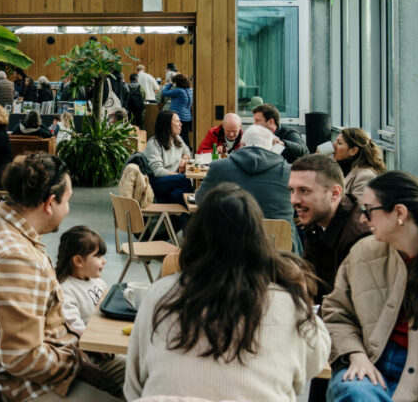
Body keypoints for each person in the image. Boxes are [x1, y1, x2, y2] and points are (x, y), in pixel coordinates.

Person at [125, 183, 330, 401]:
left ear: (194, 236)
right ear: (260, 240)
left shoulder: (160, 294)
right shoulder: (286, 303)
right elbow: (315, 361)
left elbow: (134, 386)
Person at [0, 153, 125, 401]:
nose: (68, 209)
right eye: (67, 201)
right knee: (141, 384)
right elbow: (22, 358)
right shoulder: (16, 260)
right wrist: (78, 359)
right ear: (50, 203)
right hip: (30, 386)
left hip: (51, 358)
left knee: (140, 373)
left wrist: (80, 344)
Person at [321, 171, 418, 401]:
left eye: (368, 210)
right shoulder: (363, 253)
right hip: (368, 364)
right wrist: (355, 354)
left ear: (400, 213)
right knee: (354, 392)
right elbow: (336, 312)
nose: (362, 219)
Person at [195, 124, 301, 254]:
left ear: (242, 144)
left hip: (228, 251)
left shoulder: (218, 167)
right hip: (280, 251)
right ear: (272, 147)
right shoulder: (290, 172)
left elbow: (200, 200)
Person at [289, 154, 370, 304]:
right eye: (292, 190)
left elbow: (353, 306)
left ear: (334, 193)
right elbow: (311, 284)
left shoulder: (358, 238)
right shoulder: (317, 220)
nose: (294, 200)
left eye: (304, 191)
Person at [56, 226, 109, 336]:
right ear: (78, 261)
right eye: (98, 256)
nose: (104, 261)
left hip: (104, 332)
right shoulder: (66, 291)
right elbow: (75, 327)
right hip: (90, 341)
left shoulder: (98, 282)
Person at [143, 110, 193, 206]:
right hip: (157, 181)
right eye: (177, 121)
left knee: (177, 194)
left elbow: (187, 152)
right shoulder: (154, 143)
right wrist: (177, 175)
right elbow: (158, 171)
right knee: (185, 179)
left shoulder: (177, 138)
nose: (181, 124)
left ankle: (189, 214)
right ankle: (198, 210)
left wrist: (183, 160)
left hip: (173, 181)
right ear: (167, 124)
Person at [333, 127, 386, 197]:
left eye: (339, 143)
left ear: (353, 151)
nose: (333, 145)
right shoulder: (336, 168)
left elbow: (359, 203)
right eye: (335, 141)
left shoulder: (365, 176)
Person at [160, 73, 194, 146]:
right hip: (187, 117)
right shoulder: (190, 90)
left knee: (177, 137)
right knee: (185, 137)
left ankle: (179, 150)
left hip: (178, 116)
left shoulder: (178, 91)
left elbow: (164, 93)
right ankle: (187, 150)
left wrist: (170, 84)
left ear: (177, 82)